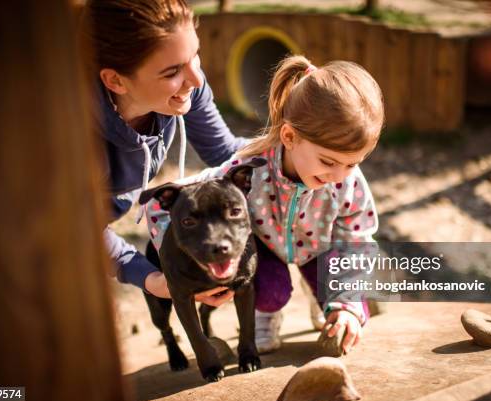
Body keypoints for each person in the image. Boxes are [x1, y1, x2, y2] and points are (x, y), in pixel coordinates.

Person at [146, 55, 384, 354]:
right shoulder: (250, 168)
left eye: (353, 164)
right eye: (329, 161)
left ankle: (325, 301)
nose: (339, 175)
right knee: (270, 294)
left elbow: (357, 239)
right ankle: (265, 316)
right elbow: (162, 204)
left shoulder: (347, 181)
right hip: (265, 248)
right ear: (289, 136)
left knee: (349, 301)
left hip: (321, 249)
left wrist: (346, 302)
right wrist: (179, 258)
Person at [80, 0, 246, 307]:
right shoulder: (75, 137)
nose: (196, 80)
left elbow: (225, 151)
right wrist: (151, 278)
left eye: (194, 56)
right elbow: (77, 229)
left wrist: (295, 140)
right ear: (115, 80)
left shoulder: (185, 88)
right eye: (172, 71)